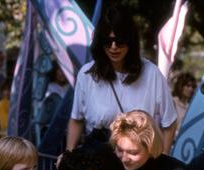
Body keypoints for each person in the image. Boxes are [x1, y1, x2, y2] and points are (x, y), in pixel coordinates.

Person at [66, 6, 177, 154]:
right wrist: (68, 156)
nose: (114, 47)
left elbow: (169, 123)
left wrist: (161, 161)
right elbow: (76, 119)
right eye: (108, 41)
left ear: (130, 41)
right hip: (99, 161)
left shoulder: (152, 74)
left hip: (138, 163)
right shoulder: (86, 74)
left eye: (120, 41)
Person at [172, 72, 196, 136]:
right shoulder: (173, 102)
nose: (191, 89)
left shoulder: (192, 105)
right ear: (181, 86)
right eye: (188, 86)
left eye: (193, 87)